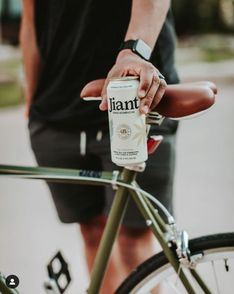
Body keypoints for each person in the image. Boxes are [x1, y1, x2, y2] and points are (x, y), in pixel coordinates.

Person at [20, 0, 179, 292]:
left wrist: (134, 50)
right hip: (57, 112)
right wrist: (32, 100)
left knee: (134, 241)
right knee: (94, 233)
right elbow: (30, 22)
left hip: (135, 99)